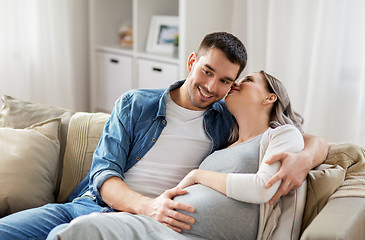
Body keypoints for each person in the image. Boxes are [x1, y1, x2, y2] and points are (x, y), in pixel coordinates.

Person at [0, 32, 327, 240]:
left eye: (226, 81)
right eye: (207, 71)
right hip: (88, 207)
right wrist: (148, 206)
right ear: (192, 62)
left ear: (232, 86)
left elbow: (301, 134)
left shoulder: (228, 122)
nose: (211, 87)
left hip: (147, 228)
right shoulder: (135, 104)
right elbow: (103, 174)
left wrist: (304, 158)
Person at [53, 70, 307, 240]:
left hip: (189, 233)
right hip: (165, 226)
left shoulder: (281, 134)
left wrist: (197, 174)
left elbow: (263, 188)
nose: (236, 83)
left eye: (249, 80)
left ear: (270, 97)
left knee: (84, 230)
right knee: (69, 232)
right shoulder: (225, 138)